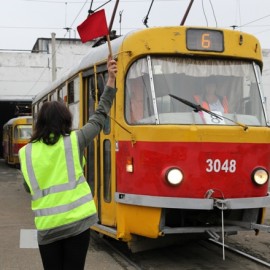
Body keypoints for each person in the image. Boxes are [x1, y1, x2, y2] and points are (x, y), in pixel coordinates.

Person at [18, 56, 117, 270]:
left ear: (39, 123)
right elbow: (99, 116)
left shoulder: (25, 153)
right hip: (76, 225)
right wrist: (110, 80)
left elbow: (28, 188)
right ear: (66, 120)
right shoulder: (75, 140)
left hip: (48, 229)